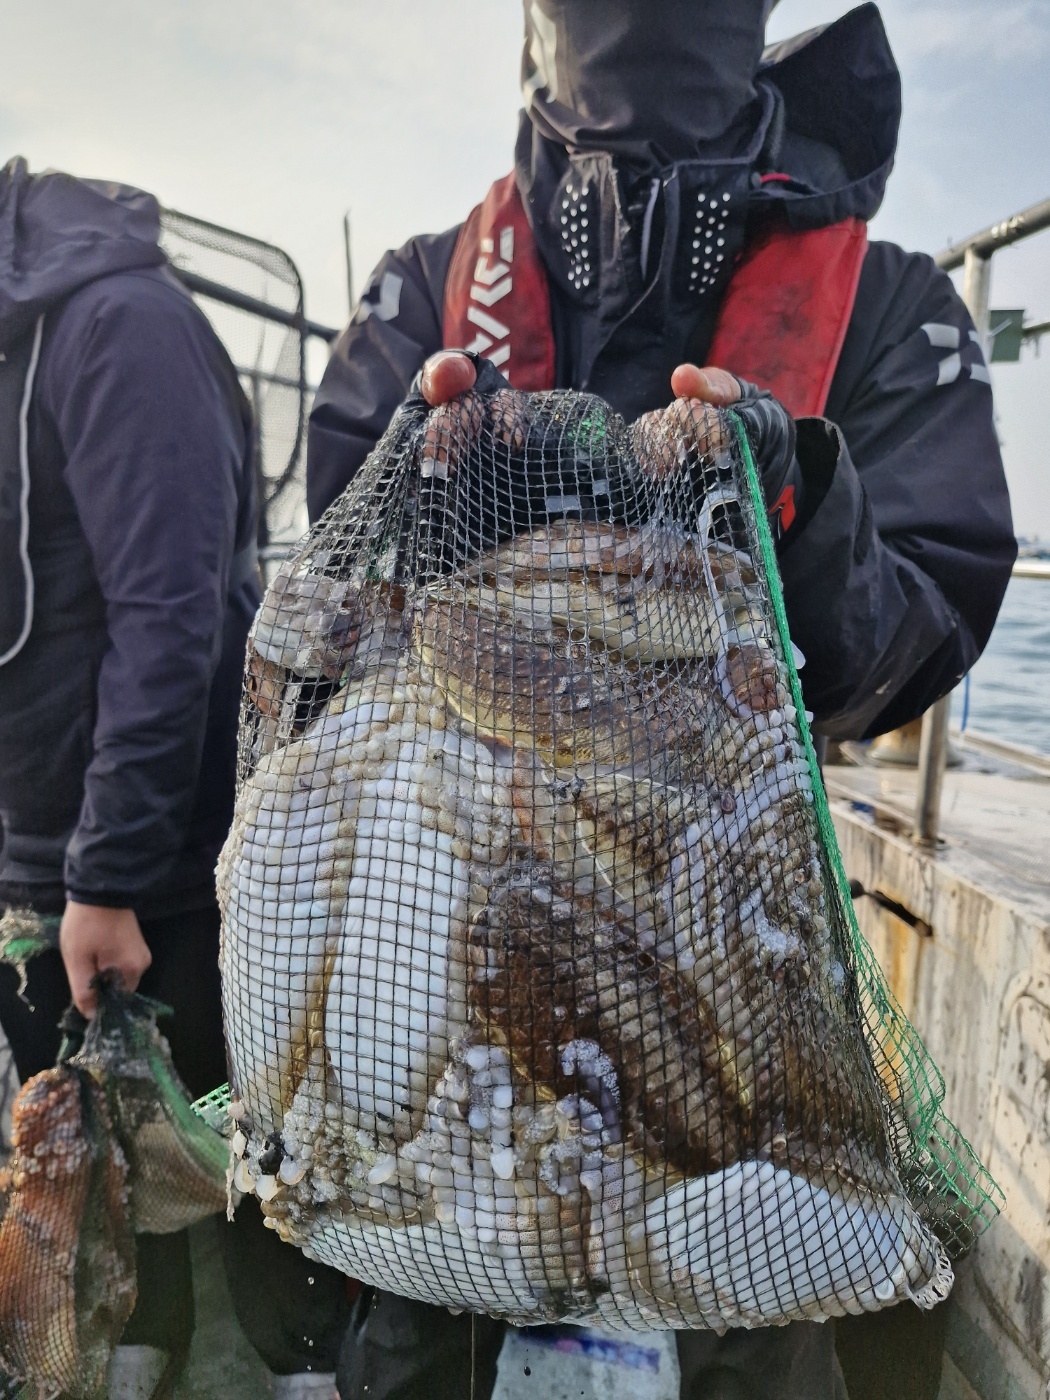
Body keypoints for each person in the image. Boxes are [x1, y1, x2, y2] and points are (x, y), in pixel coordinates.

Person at [305, 3, 1016, 1398]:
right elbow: (328, 622)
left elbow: (912, 646)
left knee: (739, 1337)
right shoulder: (423, 287)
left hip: (738, 978)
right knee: (423, 1334)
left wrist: (799, 499)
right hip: (447, 959)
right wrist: (415, 505)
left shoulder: (890, 308)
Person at [0, 158, 349, 1400]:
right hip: (40, 867)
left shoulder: (119, 327)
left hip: (171, 867)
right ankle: (137, 1348)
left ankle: (305, 1364)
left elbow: (171, 615)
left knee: (250, 1147)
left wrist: (108, 876)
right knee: (95, 1161)